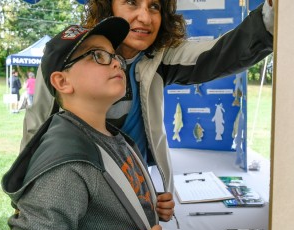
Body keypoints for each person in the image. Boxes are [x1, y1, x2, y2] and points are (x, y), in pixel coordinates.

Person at [20, 0, 274, 194]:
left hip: (135, 189)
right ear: (108, 6)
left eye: (154, 6)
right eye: (131, 2)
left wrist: (272, 17)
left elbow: (220, 54)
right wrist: (27, 193)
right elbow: (37, 126)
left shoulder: (159, 57)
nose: (145, 17)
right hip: (76, 188)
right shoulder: (66, 55)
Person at [2, 17, 174, 230]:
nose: (115, 63)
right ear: (62, 82)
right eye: (98, 55)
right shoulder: (67, 163)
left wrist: (147, 203)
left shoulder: (112, 136)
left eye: (115, 56)